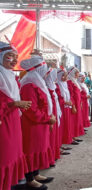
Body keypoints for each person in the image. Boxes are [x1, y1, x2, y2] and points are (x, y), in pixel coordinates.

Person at [20, 55, 56, 190]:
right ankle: (29, 179)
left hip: (40, 123)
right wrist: (47, 118)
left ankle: (35, 174)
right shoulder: (29, 84)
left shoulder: (36, 81)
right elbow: (31, 110)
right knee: (30, 150)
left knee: (37, 149)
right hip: (32, 124)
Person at [0, 41, 31, 190]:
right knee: (4, 156)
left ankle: (11, 184)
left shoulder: (10, 75)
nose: (14, 60)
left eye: (15, 57)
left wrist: (16, 104)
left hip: (13, 121)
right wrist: (14, 104)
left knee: (13, 154)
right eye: (9, 56)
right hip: (3, 123)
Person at [45, 68, 62, 163]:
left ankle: (54, 153)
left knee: (54, 134)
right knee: (51, 136)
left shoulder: (52, 86)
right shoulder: (46, 87)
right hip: (50, 114)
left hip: (54, 113)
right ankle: (50, 157)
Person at [56, 68, 73, 153]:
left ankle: (63, 142)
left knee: (66, 125)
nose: (65, 77)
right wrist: (65, 102)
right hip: (61, 108)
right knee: (61, 127)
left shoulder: (64, 84)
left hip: (66, 107)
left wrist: (69, 102)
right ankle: (59, 145)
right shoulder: (57, 85)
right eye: (63, 75)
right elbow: (58, 98)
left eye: (66, 75)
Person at [67, 66, 84, 144]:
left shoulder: (74, 81)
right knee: (73, 121)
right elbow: (71, 95)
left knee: (77, 120)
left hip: (77, 103)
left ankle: (74, 136)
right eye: (76, 72)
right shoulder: (69, 82)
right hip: (74, 104)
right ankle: (71, 137)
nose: (78, 74)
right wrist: (73, 106)